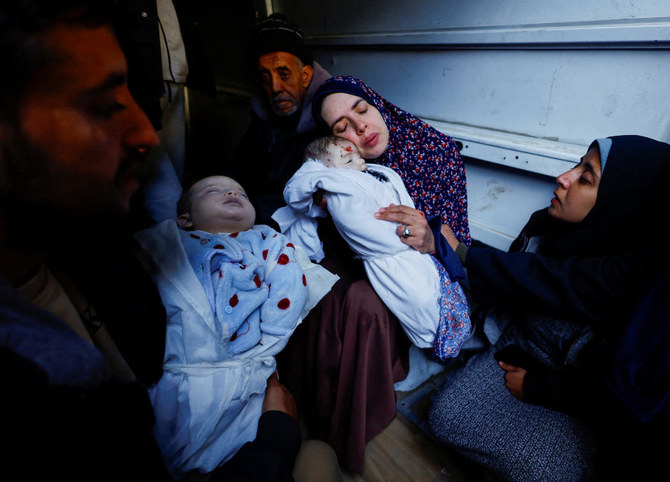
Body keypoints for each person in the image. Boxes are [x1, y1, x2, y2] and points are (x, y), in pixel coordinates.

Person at [0, 1, 335, 480]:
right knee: (316, 458)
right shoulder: (45, 382)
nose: (147, 135)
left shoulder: (66, 274)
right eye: (103, 105)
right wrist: (278, 435)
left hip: (238, 392)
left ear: (307, 75)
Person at [397, 135, 670, 480]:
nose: (563, 177)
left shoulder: (641, 289)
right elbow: (523, 276)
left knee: (548, 469)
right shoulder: (546, 226)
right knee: (447, 415)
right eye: (576, 164)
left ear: (625, 203)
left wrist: (540, 388)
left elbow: (613, 396)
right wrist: (451, 248)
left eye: (585, 178)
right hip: (521, 351)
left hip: (582, 397)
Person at [134, 175, 337, 476]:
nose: (231, 192)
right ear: (184, 220)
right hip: (184, 370)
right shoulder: (172, 243)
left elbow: (289, 281)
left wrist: (274, 329)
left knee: (243, 437)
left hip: (245, 367)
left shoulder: (264, 239)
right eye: (213, 191)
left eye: (241, 192)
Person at [273, 136, 470, 359]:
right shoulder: (338, 188)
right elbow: (361, 227)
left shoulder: (382, 172)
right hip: (391, 258)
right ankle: (437, 343)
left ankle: (453, 334)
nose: (360, 163)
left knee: (435, 289)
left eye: (358, 156)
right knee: (420, 301)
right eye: (348, 161)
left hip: (414, 250)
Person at [113, 0, 216, 225]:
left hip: (176, 79)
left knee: (175, 174)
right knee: (161, 183)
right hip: (142, 85)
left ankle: (181, 245)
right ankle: (175, 252)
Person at [228, 13, 331, 228]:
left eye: (284, 74)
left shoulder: (330, 122)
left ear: (305, 76)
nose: (275, 87)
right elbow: (239, 174)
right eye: (265, 78)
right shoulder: (262, 120)